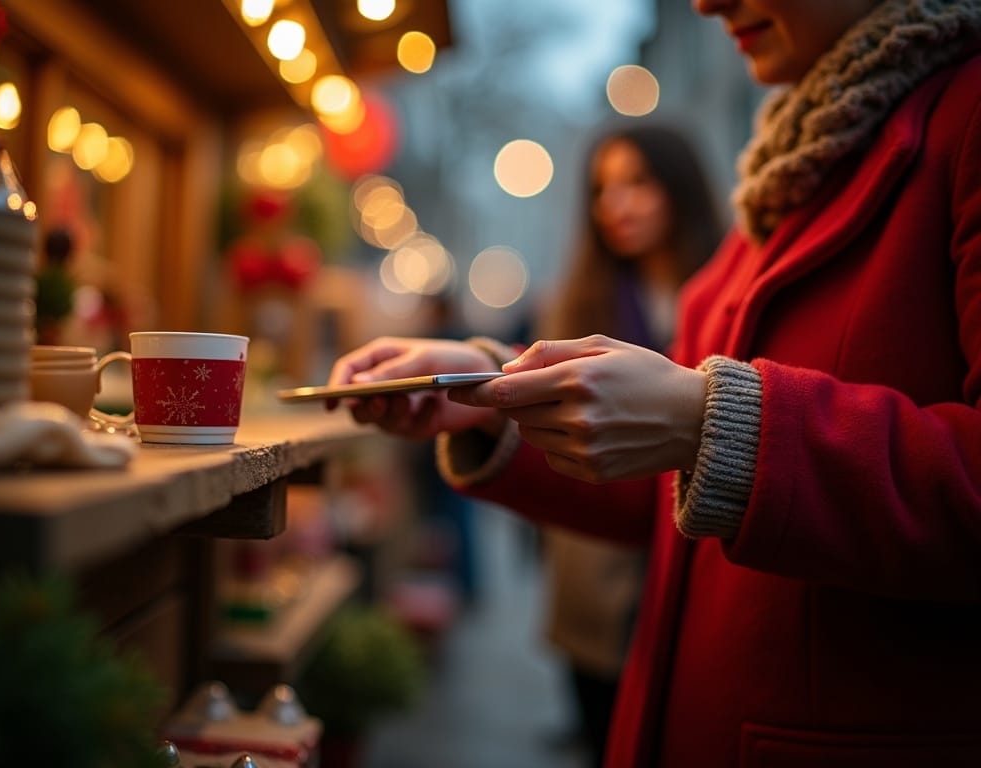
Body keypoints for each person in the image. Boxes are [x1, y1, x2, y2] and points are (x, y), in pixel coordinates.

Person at [325, 0, 981, 765]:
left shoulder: (956, 126)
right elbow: (673, 487)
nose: (705, 3)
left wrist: (717, 425)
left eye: (640, 184)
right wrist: (489, 405)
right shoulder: (790, 177)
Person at [535, 120, 723, 767]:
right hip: (597, 567)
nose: (617, 204)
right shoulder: (577, 301)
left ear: (680, 188)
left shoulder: (729, 288)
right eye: (603, 188)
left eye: (638, 183)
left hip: (705, 550)